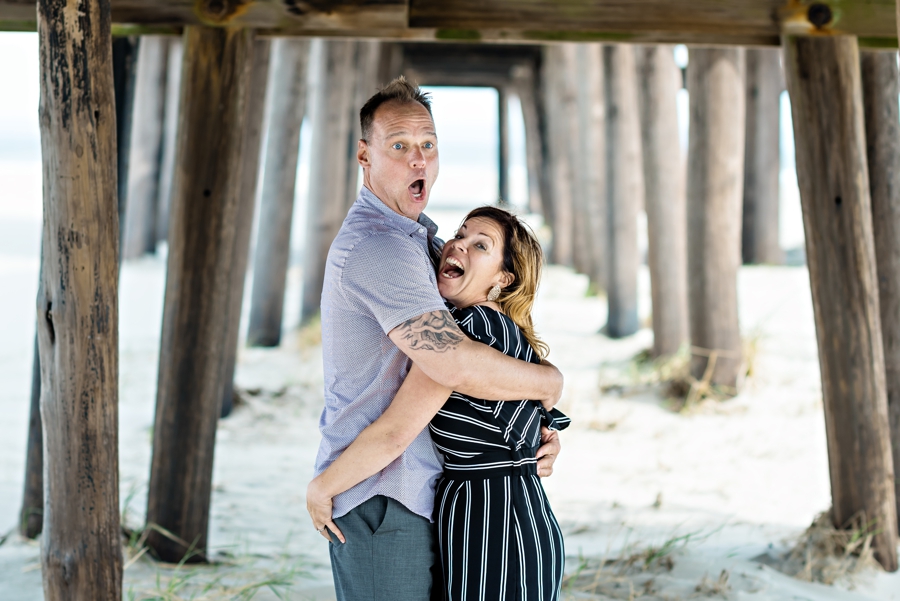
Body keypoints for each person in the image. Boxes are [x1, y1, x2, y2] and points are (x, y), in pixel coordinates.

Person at [309, 77, 564, 601]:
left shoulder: (418, 238)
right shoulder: (381, 247)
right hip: (382, 492)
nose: (417, 159)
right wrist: (549, 381)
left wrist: (528, 438)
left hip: (427, 497)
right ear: (364, 155)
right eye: (398, 146)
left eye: (427, 144)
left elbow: (477, 383)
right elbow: (455, 367)